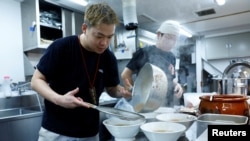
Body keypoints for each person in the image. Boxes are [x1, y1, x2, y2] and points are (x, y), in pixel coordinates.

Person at [31, 2, 131, 141]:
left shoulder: (108, 58)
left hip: (90, 133)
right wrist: (59, 99)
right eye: (99, 36)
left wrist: (122, 92)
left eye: (109, 37)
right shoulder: (62, 47)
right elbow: (36, 80)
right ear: (84, 28)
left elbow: (112, 88)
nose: (104, 43)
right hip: (57, 132)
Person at [121, 20, 183, 107]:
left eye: (175, 39)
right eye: (169, 37)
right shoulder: (144, 52)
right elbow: (125, 74)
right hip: (147, 105)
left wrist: (178, 85)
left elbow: (171, 78)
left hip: (167, 104)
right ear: (159, 35)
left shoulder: (172, 57)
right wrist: (134, 93)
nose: (172, 42)